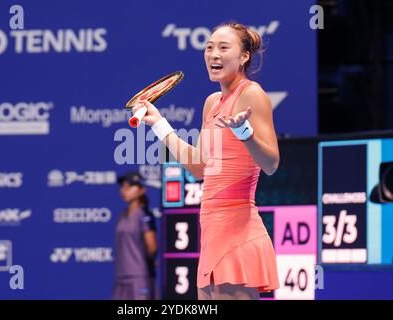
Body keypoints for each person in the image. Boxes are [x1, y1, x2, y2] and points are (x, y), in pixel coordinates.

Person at [132, 22, 280, 300]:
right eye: (209, 47)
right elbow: (199, 167)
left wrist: (244, 133)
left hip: (239, 232)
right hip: (213, 232)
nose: (214, 54)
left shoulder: (252, 94)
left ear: (244, 56)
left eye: (224, 48)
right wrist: (160, 125)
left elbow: (272, 163)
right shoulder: (212, 102)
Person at [112, 171, 158, 300]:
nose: (124, 190)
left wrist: (144, 266)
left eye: (129, 186)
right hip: (121, 276)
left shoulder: (145, 215)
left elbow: (152, 247)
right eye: (123, 186)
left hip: (139, 277)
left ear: (141, 190)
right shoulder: (121, 216)